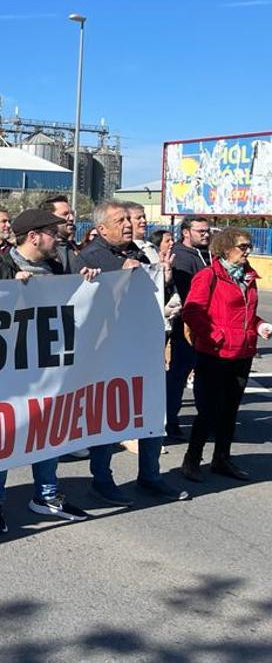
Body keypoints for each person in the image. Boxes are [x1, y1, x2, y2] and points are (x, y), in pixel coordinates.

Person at [0, 210, 98, 533]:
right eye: (52, 233)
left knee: (49, 429)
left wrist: (88, 282)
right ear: (33, 236)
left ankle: (46, 493)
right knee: (3, 434)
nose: (58, 238)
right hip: (7, 371)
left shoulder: (58, 267)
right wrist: (7, 290)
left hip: (49, 366)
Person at [77, 201, 186, 504]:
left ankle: (150, 476)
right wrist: (116, 273)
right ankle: (101, 479)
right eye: (120, 220)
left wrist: (161, 277)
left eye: (130, 219)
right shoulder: (90, 256)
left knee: (151, 412)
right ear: (101, 228)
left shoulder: (136, 252)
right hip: (107, 353)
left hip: (142, 346)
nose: (129, 224)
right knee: (108, 417)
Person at [180, 227, 271, 483]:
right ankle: (192, 459)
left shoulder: (248, 276)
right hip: (215, 353)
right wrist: (218, 337)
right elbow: (192, 312)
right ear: (225, 248)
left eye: (248, 246)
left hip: (243, 352)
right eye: (243, 246)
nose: (248, 250)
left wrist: (259, 325)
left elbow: (247, 316)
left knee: (230, 410)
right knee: (208, 410)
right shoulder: (209, 275)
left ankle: (222, 458)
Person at [167, 216, 211, 439]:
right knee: (179, 373)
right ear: (186, 232)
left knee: (202, 374)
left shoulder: (206, 255)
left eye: (207, 230)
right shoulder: (181, 258)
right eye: (200, 231)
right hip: (186, 326)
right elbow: (187, 294)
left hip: (206, 326)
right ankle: (170, 421)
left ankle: (206, 421)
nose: (206, 234)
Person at [39, 195, 81, 274]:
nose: (71, 218)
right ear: (49, 218)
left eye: (72, 214)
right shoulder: (41, 250)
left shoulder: (73, 248)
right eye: (65, 214)